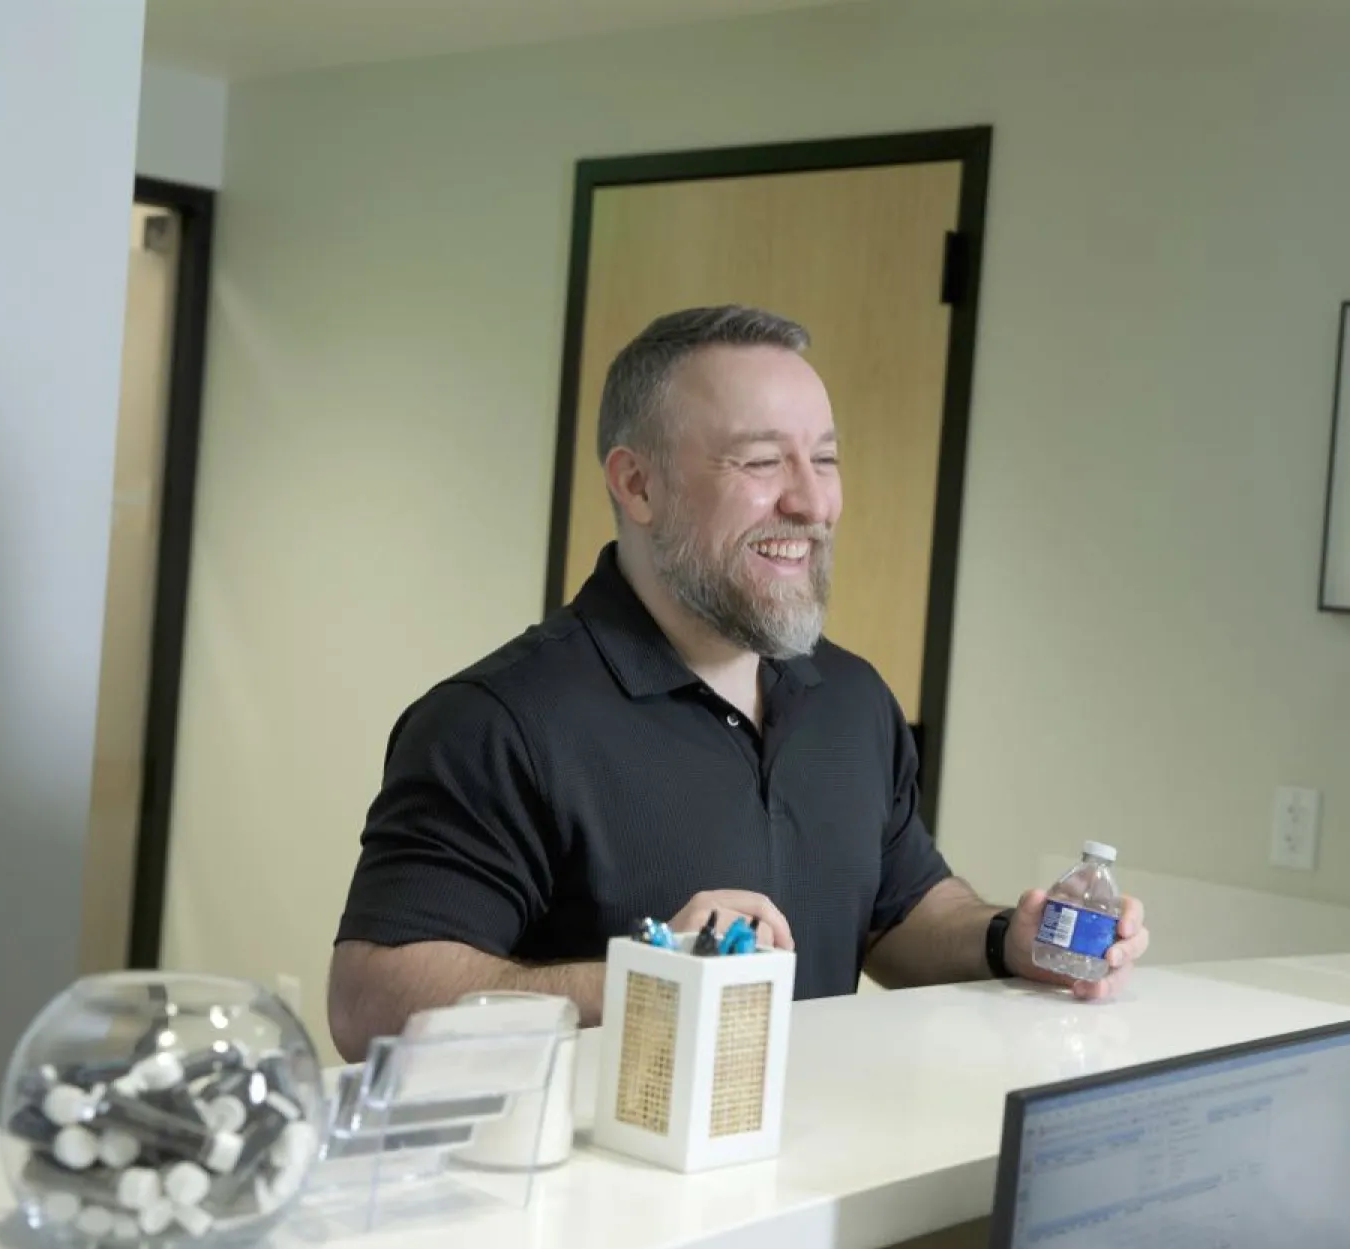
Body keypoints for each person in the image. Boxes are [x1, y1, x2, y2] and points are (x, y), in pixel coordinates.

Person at [326, 305, 1150, 1061]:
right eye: (761, 461)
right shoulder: (498, 723)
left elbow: (901, 913)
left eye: (824, 459)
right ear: (637, 484)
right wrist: (653, 981)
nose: (811, 501)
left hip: (814, 1189)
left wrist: (1012, 937)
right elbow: (372, 1002)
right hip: (601, 1205)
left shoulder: (854, 702)